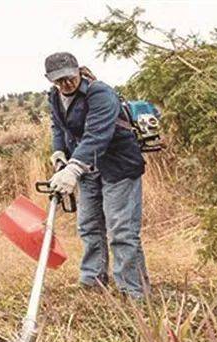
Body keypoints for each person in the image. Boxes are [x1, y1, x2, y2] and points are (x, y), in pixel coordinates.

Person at [44, 52, 150, 299]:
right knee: (89, 226)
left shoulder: (100, 93)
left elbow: (98, 135)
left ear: (78, 71)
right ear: (50, 80)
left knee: (121, 230)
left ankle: (133, 291)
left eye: (69, 78)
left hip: (118, 164)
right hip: (88, 169)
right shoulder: (54, 97)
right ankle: (93, 280)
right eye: (59, 81)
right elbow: (58, 126)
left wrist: (73, 168)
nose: (66, 84)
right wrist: (59, 152)